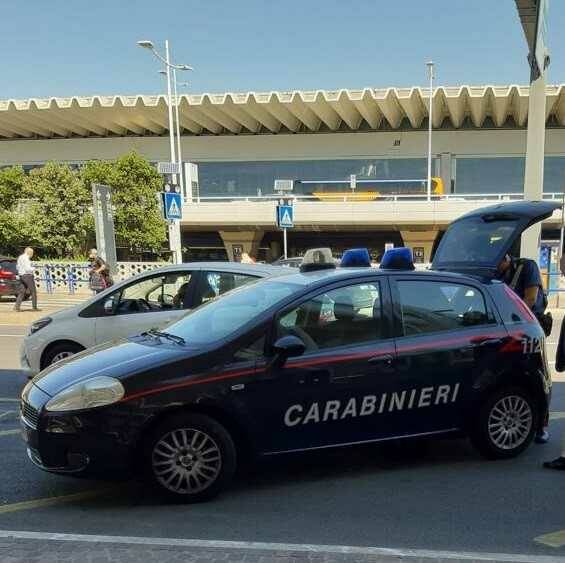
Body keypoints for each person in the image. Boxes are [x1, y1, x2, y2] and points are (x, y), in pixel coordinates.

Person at [497, 253, 549, 444]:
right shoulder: (497, 274)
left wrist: (511, 321)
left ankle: (542, 426)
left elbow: (530, 299)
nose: (496, 267)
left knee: (537, 378)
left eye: (498, 262)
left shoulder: (527, 267)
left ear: (506, 257)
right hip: (506, 333)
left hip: (528, 331)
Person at [14, 247, 39, 312]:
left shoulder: (20, 257)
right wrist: (34, 268)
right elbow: (28, 269)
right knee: (33, 291)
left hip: (21, 275)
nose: (32, 254)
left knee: (22, 291)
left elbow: (17, 267)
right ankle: (34, 307)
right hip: (28, 276)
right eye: (32, 253)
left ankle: (16, 307)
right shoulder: (26, 258)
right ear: (29, 252)